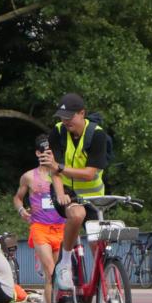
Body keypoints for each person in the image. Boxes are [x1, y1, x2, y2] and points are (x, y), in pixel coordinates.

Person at [38, 93, 109, 292]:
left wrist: (58, 167)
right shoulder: (58, 132)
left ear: (82, 113)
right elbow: (53, 169)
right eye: (62, 116)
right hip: (66, 190)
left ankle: (102, 293)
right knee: (77, 215)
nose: (65, 120)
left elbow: (89, 174)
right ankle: (65, 263)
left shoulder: (97, 135)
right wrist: (60, 193)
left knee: (98, 244)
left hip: (93, 194)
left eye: (70, 116)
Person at [15, 134, 67, 303]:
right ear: (38, 153)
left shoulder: (61, 175)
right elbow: (17, 198)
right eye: (44, 152)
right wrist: (22, 210)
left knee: (57, 272)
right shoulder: (29, 177)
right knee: (51, 270)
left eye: (50, 153)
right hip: (40, 229)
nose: (47, 156)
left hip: (60, 228)